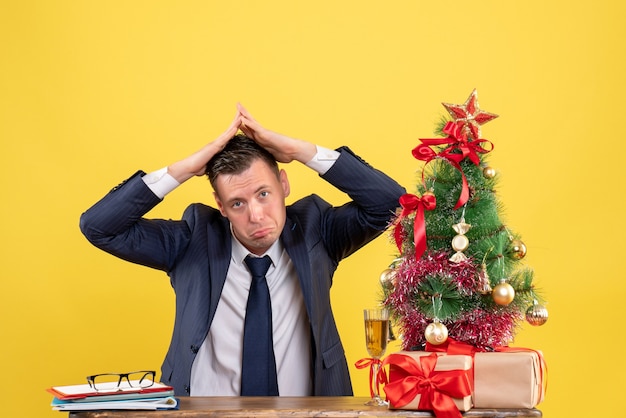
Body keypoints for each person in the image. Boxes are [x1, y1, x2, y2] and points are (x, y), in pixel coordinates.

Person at [79, 104, 405, 397]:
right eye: (238, 203)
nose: (256, 215)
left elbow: (392, 203)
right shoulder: (192, 240)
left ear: (284, 185)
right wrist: (185, 169)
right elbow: (99, 227)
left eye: (264, 194)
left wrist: (299, 150)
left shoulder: (316, 231)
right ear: (220, 206)